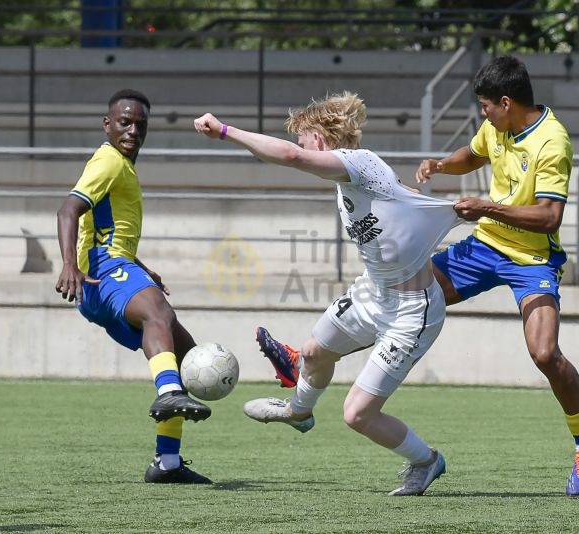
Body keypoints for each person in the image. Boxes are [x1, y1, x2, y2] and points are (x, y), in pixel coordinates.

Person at [194, 92, 461, 496]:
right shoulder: (356, 176)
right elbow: (405, 200)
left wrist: (225, 131)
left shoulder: (359, 163)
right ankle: (299, 412)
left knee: (357, 414)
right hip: (373, 293)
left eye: (303, 139)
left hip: (411, 311)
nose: (300, 147)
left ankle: (426, 460)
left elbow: (291, 157)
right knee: (314, 353)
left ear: (318, 138)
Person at [415, 55, 579, 496]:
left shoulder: (552, 141)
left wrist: (487, 206)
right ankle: (311, 359)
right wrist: (441, 165)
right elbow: (473, 154)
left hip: (532, 259)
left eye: (486, 107)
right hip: (486, 246)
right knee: (409, 290)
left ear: (506, 102)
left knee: (545, 354)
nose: (483, 115)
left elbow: (550, 217)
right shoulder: (497, 127)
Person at [55, 89, 213, 484]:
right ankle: (168, 393)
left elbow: (105, 230)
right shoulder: (108, 161)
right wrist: (69, 265)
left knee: (182, 354)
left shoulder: (122, 166)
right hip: (102, 272)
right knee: (158, 313)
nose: (132, 131)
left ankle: (167, 463)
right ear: (107, 124)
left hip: (113, 269)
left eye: (140, 125)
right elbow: (69, 209)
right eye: (124, 122)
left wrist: (143, 269)